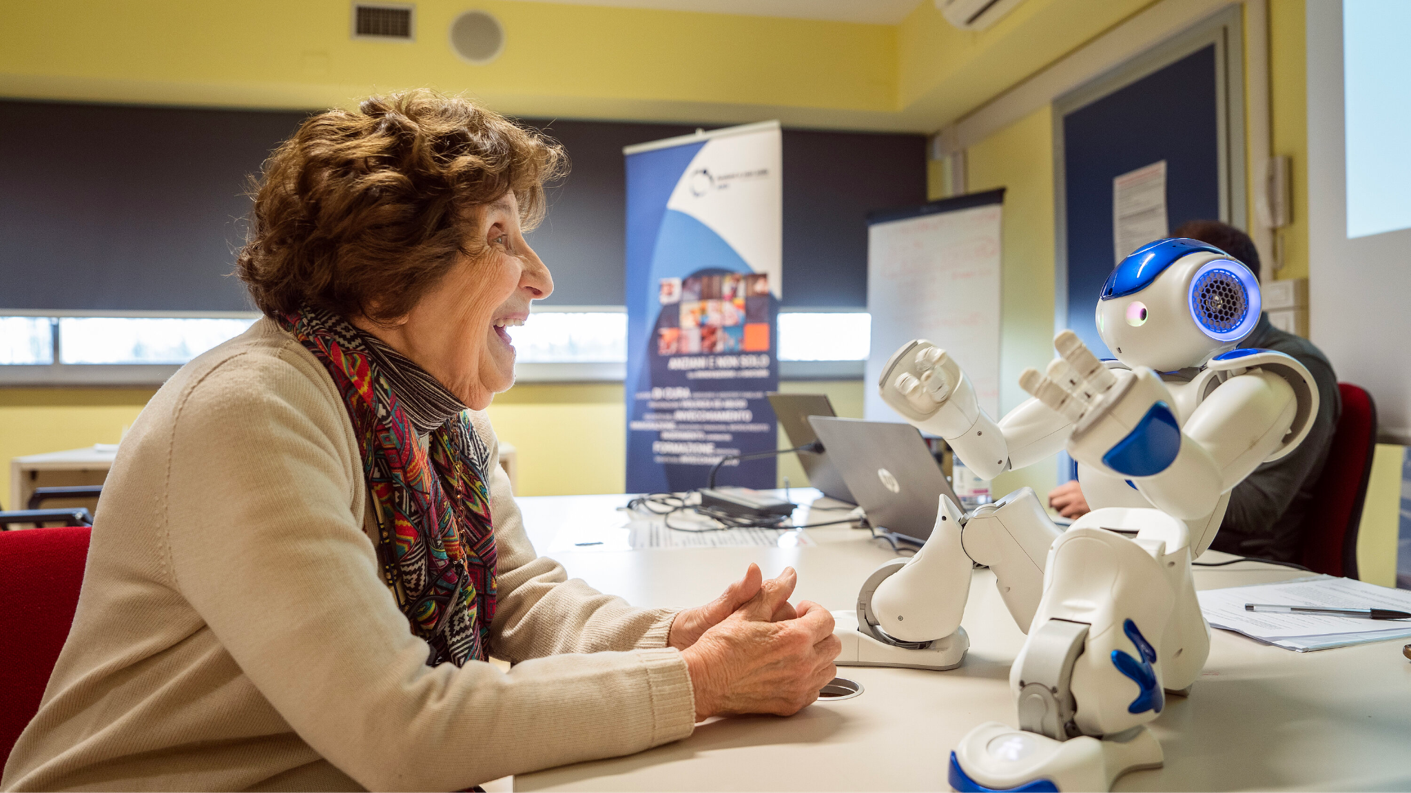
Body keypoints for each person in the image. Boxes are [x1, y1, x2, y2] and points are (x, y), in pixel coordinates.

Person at [1, 90, 840, 793]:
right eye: (501, 237)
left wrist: (678, 637)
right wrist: (697, 683)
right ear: (386, 273)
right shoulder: (249, 411)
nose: (542, 277)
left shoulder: (439, 415)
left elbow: (514, 600)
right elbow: (401, 728)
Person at [1048, 220, 1341, 563]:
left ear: (1222, 282)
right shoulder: (1180, 363)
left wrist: (1131, 492)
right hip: (1160, 540)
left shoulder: (1288, 367)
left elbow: (1258, 507)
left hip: (1239, 562)